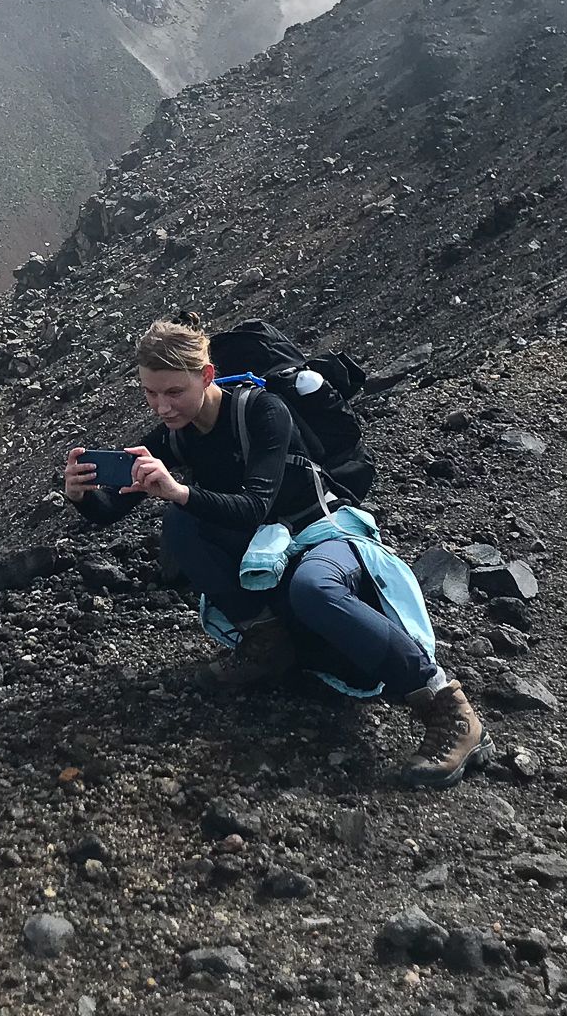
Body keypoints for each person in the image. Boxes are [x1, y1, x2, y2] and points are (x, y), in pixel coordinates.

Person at [64, 319, 487, 789]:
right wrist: (81, 495)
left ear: (206, 376)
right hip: (263, 541)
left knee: (313, 588)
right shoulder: (175, 432)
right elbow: (110, 511)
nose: (161, 406)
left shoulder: (263, 411)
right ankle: (267, 642)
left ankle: (448, 709)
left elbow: (254, 505)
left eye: (174, 392)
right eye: (150, 393)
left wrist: (179, 491)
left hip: (320, 531)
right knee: (181, 524)